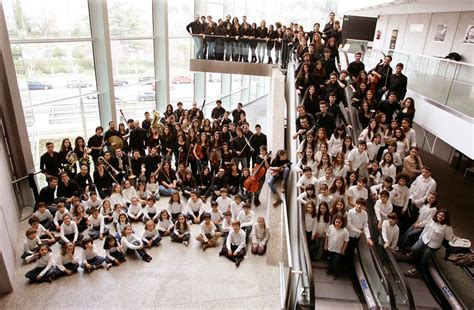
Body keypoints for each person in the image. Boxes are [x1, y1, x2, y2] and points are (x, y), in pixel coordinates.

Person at [406, 209, 453, 278]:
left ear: (445, 217)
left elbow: (448, 238)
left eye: (442, 216)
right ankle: (418, 254)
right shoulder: (432, 220)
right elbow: (426, 229)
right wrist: (420, 238)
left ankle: (418, 271)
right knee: (414, 249)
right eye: (439, 214)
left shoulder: (447, 227)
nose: (440, 216)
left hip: (434, 244)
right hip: (425, 238)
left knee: (425, 257)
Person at [346, 199, 373, 263]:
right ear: (355, 204)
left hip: (357, 236)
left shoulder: (365, 213)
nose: (359, 206)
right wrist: (358, 231)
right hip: (349, 234)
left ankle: (348, 264)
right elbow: (349, 224)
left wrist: (368, 237)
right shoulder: (350, 211)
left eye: (361, 205)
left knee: (352, 250)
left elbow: (365, 225)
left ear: (363, 206)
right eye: (357, 204)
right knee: (347, 249)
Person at [324, 215, 349, 280]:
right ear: (334, 222)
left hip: (338, 250)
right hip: (330, 248)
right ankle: (329, 270)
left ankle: (335, 273)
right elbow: (327, 236)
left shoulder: (345, 231)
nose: (337, 224)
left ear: (342, 223)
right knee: (330, 260)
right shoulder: (330, 227)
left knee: (336, 262)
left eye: (339, 222)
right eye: (336, 222)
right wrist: (325, 245)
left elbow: (346, 241)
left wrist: (343, 250)